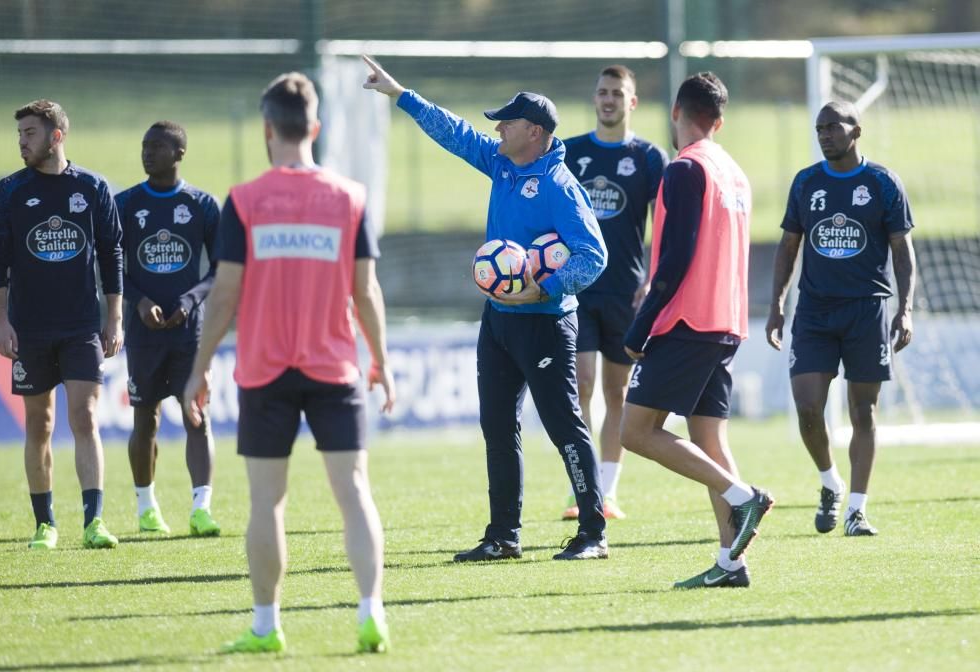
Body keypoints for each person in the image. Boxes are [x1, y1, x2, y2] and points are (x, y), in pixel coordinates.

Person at [363, 55, 610, 562]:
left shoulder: (560, 186)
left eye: (508, 121)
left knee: (564, 426)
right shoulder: (501, 161)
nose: (496, 127)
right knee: (497, 428)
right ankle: (503, 536)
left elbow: (594, 255)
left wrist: (542, 290)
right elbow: (454, 132)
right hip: (498, 322)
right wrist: (400, 94)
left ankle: (592, 533)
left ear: (535, 132)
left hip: (546, 325)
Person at [183, 72, 395, 655]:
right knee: (354, 492)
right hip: (334, 368)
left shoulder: (245, 200)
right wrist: (381, 360)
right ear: (316, 129)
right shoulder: (349, 197)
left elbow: (224, 296)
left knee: (266, 503)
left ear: (268, 129)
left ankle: (265, 625)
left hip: (265, 371)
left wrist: (198, 367)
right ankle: (370, 612)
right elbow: (366, 293)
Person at [619, 73, 774, 589]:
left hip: (687, 321)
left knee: (635, 431)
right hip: (726, 322)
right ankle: (731, 565)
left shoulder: (685, 168)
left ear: (675, 113)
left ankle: (742, 495)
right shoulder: (733, 171)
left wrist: (640, 328)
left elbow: (677, 257)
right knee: (708, 438)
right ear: (719, 121)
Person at [765, 101, 916, 537]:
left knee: (863, 411)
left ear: (857, 130)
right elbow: (789, 246)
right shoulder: (806, 182)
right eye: (820, 128)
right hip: (813, 311)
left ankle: (857, 510)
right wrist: (776, 304)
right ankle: (830, 482)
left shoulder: (883, 183)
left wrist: (904, 309)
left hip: (867, 310)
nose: (825, 134)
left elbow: (903, 253)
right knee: (808, 409)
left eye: (833, 126)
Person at [0, 99, 123, 550]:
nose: (21, 142)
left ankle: (93, 522)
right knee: (39, 425)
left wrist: (114, 318)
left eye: (29, 133)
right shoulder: (9, 191)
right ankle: (45, 524)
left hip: (82, 325)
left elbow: (111, 255)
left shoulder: (93, 187)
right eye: (20, 134)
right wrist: (1, 323)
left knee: (84, 416)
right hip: (30, 329)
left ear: (55, 137)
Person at [561, 64, 669, 521]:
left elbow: (666, 224)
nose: (608, 100)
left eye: (617, 93)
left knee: (617, 390)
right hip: (578, 288)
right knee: (580, 384)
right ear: (594, 98)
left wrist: (654, 278)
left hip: (626, 294)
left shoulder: (648, 158)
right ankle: (582, 490)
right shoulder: (571, 152)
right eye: (602, 92)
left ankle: (607, 491)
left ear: (632, 101)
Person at [115, 121, 221, 537]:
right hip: (143, 334)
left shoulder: (202, 205)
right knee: (146, 419)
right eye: (144, 146)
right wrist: (138, 300)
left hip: (188, 332)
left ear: (179, 153)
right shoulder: (125, 204)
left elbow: (221, 269)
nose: (147, 153)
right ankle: (147, 507)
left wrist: (191, 299)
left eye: (157, 146)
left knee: (197, 417)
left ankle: (202, 508)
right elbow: (110, 266)